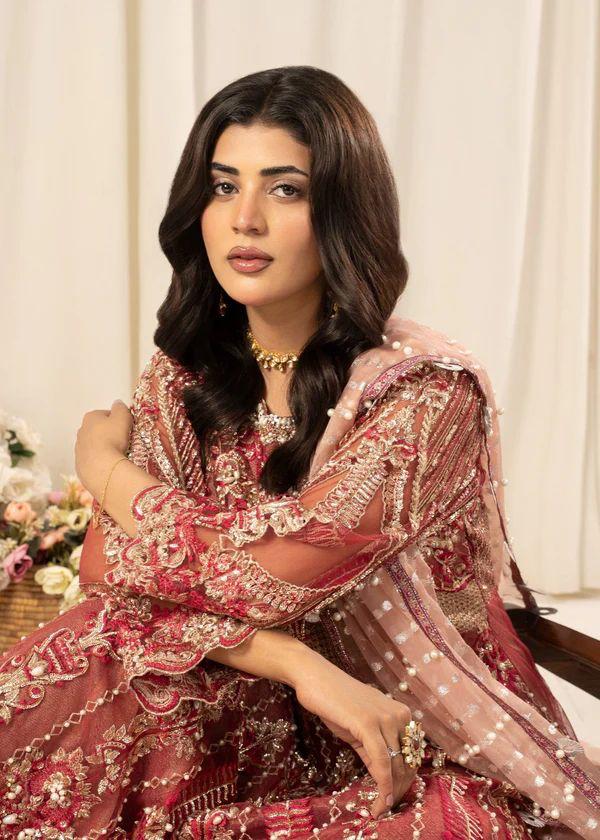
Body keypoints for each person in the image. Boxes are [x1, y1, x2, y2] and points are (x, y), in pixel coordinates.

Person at [0, 65, 598, 839]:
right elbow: (109, 572)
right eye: (223, 187)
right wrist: (299, 666)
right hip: (258, 703)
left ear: (343, 212)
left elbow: (260, 577)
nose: (244, 219)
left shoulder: (424, 393)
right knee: (107, 668)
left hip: (409, 737)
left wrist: (104, 468)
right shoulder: (186, 376)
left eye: (285, 190)